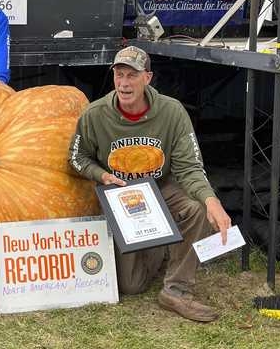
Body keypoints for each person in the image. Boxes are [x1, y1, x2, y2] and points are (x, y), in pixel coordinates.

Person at [69, 46, 231, 322]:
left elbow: (189, 167)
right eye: (119, 75)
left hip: (160, 188)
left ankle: (176, 289)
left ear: (148, 78)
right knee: (132, 285)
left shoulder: (172, 112)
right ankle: (159, 246)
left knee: (195, 208)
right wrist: (101, 175)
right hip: (120, 195)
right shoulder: (95, 115)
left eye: (132, 75)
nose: (124, 83)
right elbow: (75, 158)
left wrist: (211, 200)